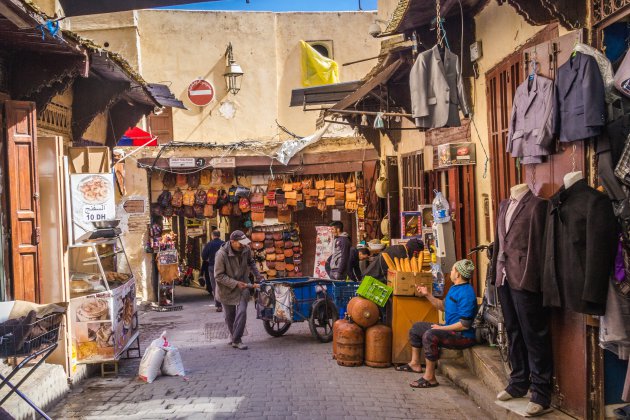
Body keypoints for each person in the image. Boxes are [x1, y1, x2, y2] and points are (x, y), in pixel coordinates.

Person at [397, 259, 477, 388]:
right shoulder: (454, 288)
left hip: (463, 336)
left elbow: (464, 325)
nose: (450, 272)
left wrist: (441, 328)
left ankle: (430, 378)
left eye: (452, 270)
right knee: (416, 328)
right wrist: (427, 294)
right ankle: (415, 364)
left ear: (457, 274)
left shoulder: (467, 293)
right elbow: (441, 306)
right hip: (449, 329)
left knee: (430, 335)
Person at [214, 230, 262, 350]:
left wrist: (258, 276)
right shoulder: (221, 254)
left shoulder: (246, 249)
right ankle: (233, 336)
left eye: (244, 242)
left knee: (242, 312)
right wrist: (235, 283)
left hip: (243, 286)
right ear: (232, 242)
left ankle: (236, 339)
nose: (243, 245)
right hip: (226, 288)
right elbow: (218, 276)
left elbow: (251, 262)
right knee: (229, 316)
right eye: (240, 243)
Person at [201, 230, 224, 312]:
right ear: (219, 235)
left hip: (212, 266)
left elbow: (203, 256)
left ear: (212, 236)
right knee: (224, 284)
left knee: (215, 286)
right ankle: (228, 303)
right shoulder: (224, 244)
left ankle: (219, 306)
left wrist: (209, 259)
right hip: (223, 267)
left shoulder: (209, 244)